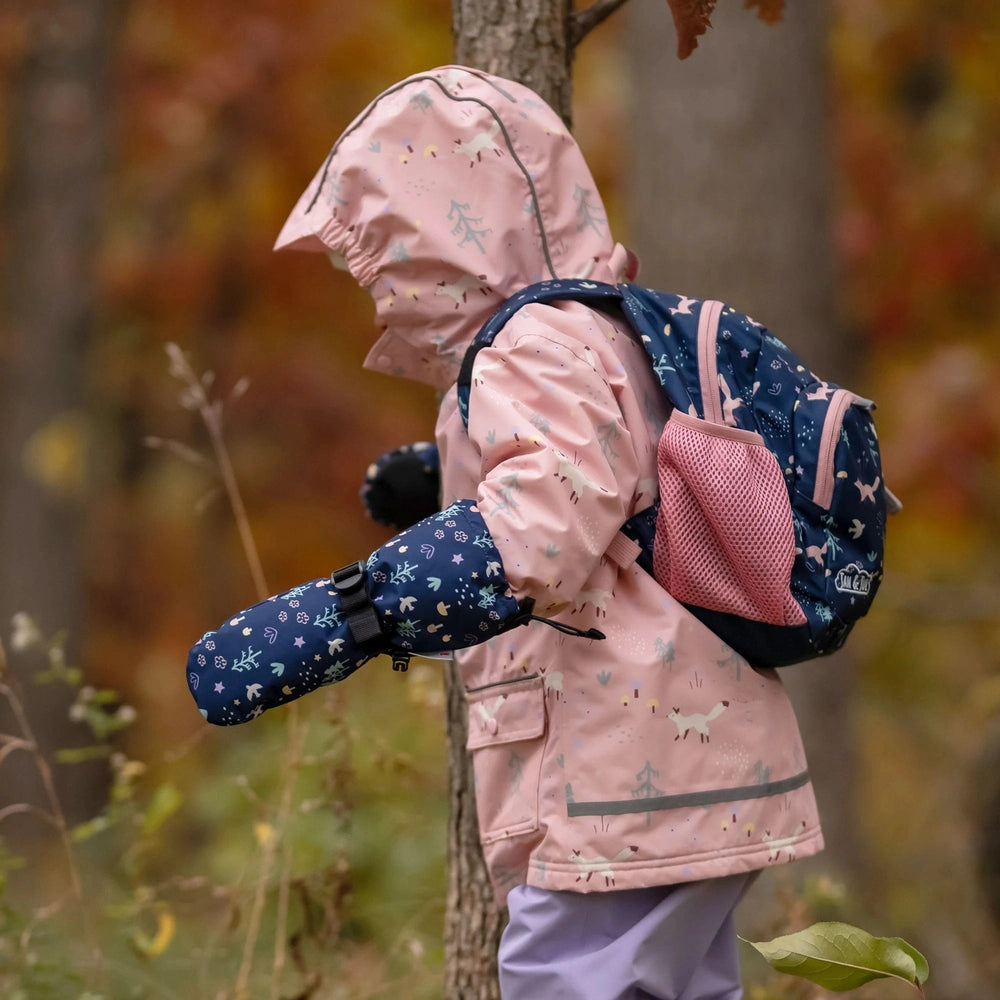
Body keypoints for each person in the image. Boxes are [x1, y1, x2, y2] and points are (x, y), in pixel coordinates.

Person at [188, 65, 823, 999]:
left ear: (449, 246)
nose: (380, 302)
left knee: (564, 981)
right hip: (685, 762)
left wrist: (353, 612)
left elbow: (541, 529)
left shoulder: (532, 342)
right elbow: (608, 468)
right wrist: (446, 477)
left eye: (387, 267)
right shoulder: (603, 327)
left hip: (620, 769)